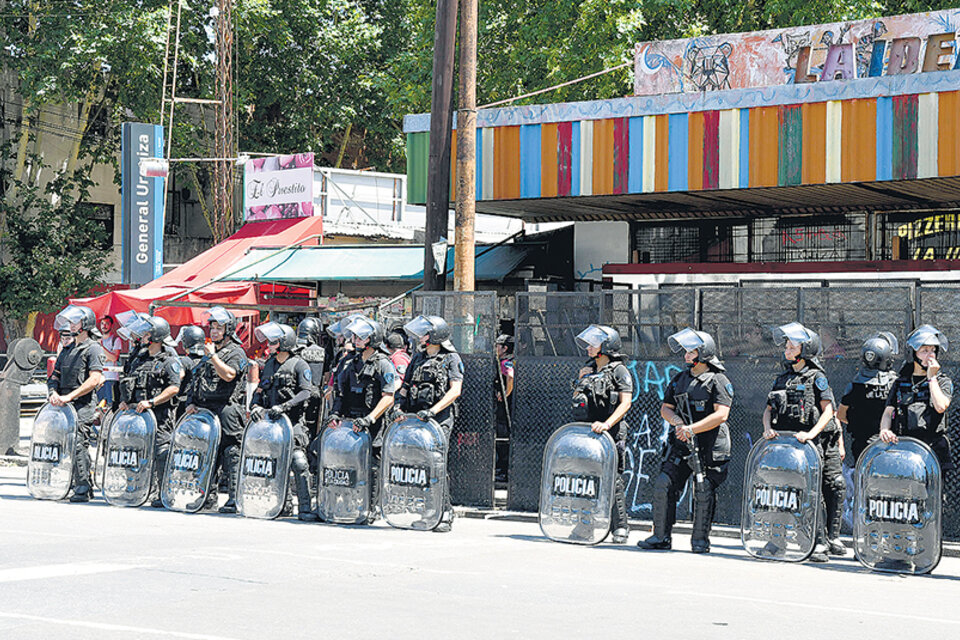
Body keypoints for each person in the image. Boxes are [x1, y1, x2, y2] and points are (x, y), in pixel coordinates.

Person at [637, 328, 732, 554]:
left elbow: (722, 414)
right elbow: (665, 409)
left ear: (704, 353)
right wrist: (678, 423)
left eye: (692, 351)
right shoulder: (680, 379)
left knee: (704, 489)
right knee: (663, 483)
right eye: (686, 351)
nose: (686, 355)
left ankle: (700, 540)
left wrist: (692, 429)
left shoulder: (718, 380)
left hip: (709, 445)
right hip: (681, 443)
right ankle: (661, 536)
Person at [762, 322, 843, 563]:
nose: (787, 349)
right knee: (779, 490)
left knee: (811, 493)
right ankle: (777, 541)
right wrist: (767, 429)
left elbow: (829, 411)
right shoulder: (781, 378)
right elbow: (768, 409)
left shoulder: (816, 377)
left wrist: (811, 434)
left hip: (808, 445)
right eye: (786, 345)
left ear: (805, 350)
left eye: (792, 345)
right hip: (785, 446)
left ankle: (819, 542)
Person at [327, 316, 400, 524]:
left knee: (373, 465)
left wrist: (370, 418)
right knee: (348, 463)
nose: (355, 339)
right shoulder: (350, 362)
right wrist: (335, 413)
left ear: (372, 339)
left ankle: (373, 506)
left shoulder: (383, 364)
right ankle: (349, 503)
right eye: (355, 336)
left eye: (361, 336)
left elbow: (388, 396)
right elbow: (340, 393)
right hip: (351, 422)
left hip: (373, 423)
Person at [399, 315, 464, 533]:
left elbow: (455, 390)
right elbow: (405, 388)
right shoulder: (418, 358)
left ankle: (444, 512)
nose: (421, 337)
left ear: (436, 335)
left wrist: (433, 411)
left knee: (436, 462)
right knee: (421, 464)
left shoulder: (451, 359)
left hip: (440, 418)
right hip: (418, 417)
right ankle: (429, 511)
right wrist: (399, 408)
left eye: (425, 333)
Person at [569, 324, 632, 544]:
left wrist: (607, 424)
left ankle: (620, 526)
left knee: (612, 479)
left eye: (593, 344)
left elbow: (625, 403)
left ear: (606, 346)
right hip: (588, 431)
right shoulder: (589, 368)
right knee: (586, 477)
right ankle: (585, 525)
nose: (588, 348)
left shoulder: (619, 370)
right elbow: (576, 400)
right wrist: (580, 380)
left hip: (610, 431)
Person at [249, 322, 317, 521]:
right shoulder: (270, 364)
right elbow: (260, 390)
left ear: (284, 342)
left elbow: (306, 392)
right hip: (271, 423)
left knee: (298, 461)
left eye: (273, 341)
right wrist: (254, 406)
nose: (269, 345)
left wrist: (285, 407)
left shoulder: (299, 364)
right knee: (274, 462)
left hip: (292, 421)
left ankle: (305, 507)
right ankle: (282, 504)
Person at [184, 306, 248, 513]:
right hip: (207, 409)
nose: (214, 331)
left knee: (231, 453)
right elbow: (197, 378)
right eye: (212, 327)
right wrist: (191, 402)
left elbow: (229, 375)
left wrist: (213, 357)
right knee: (206, 453)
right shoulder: (210, 352)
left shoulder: (236, 353)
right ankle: (207, 497)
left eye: (219, 328)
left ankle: (234, 498)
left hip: (227, 409)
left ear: (229, 329)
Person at [115, 315, 182, 508]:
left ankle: (163, 492)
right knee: (132, 449)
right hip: (137, 416)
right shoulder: (139, 358)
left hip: (159, 415)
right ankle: (134, 487)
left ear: (156, 336)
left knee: (161, 453)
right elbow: (129, 383)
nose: (142, 336)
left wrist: (152, 401)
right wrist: (125, 402)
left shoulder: (169, 360)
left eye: (146, 333)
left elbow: (174, 388)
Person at [47, 304, 105, 502]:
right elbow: (55, 375)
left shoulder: (93, 349)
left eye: (75, 321)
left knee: (79, 443)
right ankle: (74, 482)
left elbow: (95, 378)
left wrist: (69, 397)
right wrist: (52, 391)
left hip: (82, 405)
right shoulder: (67, 349)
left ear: (86, 324)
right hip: (63, 404)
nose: (71, 325)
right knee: (65, 444)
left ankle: (82, 487)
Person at [879, 325, 953, 472]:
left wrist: (931, 377)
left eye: (933, 350)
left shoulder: (943, 381)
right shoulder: (901, 382)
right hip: (906, 447)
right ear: (914, 353)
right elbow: (888, 412)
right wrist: (884, 430)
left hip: (933, 449)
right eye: (924, 351)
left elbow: (941, 406)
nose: (930, 355)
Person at [494, 334, 514, 483]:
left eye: (498, 346)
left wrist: (505, 393)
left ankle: (503, 470)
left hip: (504, 408)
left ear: (505, 348)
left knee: (503, 437)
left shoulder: (506, 362)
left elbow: (510, 377)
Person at [173, 325, 205, 420]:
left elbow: (179, 376)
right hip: (199, 403)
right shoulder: (207, 360)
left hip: (184, 403)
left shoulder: (185, 361)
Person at [97, 315, 122, 406]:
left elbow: (114, 358)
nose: (104, 326)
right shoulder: (96, 340)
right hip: (98, 378)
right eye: (102, 323)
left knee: (110, 406)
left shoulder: (116, 340)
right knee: (99, 407)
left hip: (111, 378)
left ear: (111, 325)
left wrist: (101, 347)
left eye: (107, 323)